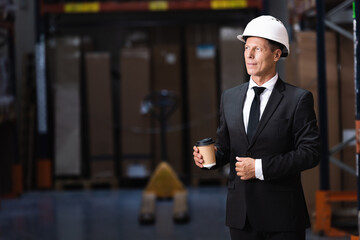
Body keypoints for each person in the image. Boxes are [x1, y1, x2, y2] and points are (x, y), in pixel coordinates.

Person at [193, 15, 320, 240]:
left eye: (257, 49)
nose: (249, 55)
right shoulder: (230, 98)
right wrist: (209, 159)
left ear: (276, 54)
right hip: (241, 217)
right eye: (247, 48)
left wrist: (260, 168)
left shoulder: (297, 99)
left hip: (282, 217)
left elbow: (310, 154)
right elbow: (226, 148)